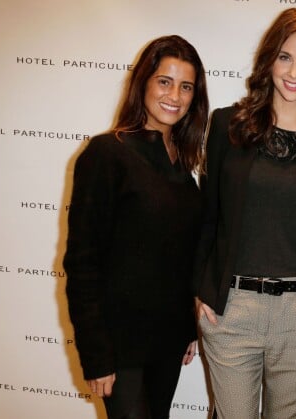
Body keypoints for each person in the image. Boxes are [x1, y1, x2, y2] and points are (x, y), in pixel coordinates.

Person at [193, 8, 296, 419]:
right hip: (232, 307)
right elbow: (207, 216)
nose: (294, 71)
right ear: (268, 59)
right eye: (285, 56)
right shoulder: (229, 125)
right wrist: (202, 289)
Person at [63, 35, 209, 419]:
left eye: (186, 86)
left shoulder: (183, 165)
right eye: (164, 81)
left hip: (166, 340)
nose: (174, 95)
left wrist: (187, 328)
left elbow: (177, 257)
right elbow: (82, 263)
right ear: (143, 81)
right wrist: (95, 355)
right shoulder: (107, 153)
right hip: (119, 344)